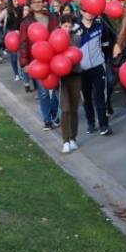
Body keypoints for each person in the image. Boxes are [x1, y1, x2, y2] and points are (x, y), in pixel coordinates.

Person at [19, 0, 60, 130]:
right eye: (34, 2)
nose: (38, 4)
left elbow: (58, 35)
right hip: (37, 61)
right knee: (43, 92)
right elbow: (23, 43)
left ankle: (54, 114)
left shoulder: (52, 17)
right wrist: (24, 63)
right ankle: (47, 120)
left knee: (54, 89)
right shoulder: (26, 22)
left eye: (40, 1)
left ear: (43, 3)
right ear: (30, 5)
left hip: (54, 58)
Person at [78, 10, 112, 136]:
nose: (88, 13)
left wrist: (106, 60)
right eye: (85, 10)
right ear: (81, 11)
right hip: (81, 69)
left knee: (100, 97)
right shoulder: (75, 28)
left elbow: (106, 44)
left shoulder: (100, 26)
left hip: (98, 66)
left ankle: (104, 125)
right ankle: (91, 123)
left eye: (91, 11)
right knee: (86, 98)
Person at [58, 14, 82, 153]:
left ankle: (73, 137)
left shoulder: (76, 38)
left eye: (69, 26)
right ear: (60, 25)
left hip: (75, 75)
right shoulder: (54, 37)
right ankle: (65, 140)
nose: (67, 29)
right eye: (65, 26)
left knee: (74, 108)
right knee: (65, 109)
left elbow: (75, 54)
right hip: (61, 77)